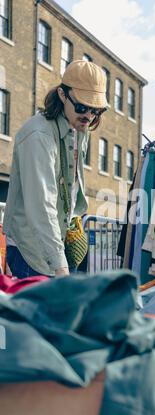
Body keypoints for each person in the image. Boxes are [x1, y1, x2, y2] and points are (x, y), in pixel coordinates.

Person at [3, 60, 107, 278]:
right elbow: (42, 205)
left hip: (60, 242)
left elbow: (70, 184)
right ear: (62, 94)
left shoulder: (80, 127)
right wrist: (60, 266)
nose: (88, 116)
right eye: (82, 107)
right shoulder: (38, 136)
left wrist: (75, 219)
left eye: (95, 110)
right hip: (29, 249)